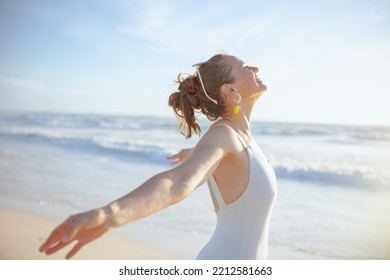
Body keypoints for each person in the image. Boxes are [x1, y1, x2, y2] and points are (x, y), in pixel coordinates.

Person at [39, 54, 277, 260]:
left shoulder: (237, 139)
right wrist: (109, 214)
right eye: (246, 67)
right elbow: (178, 182)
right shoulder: (224, 135)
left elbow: (218, 158)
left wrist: (192, 153)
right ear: (230, 89)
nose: (255, 68)